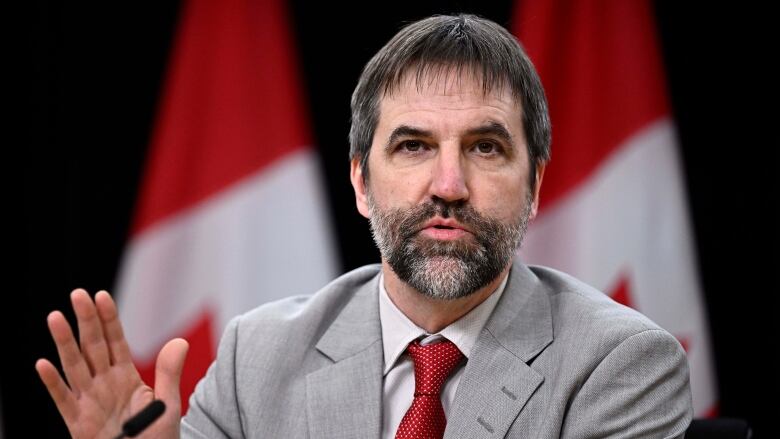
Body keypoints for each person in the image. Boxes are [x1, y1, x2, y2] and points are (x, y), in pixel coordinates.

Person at [36, 14, 692, 438]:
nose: (449, 185)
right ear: (359, 182)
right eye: (412, 146)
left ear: (537, 183)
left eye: (486, 147)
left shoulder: (623, 364)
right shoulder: (254, 359)